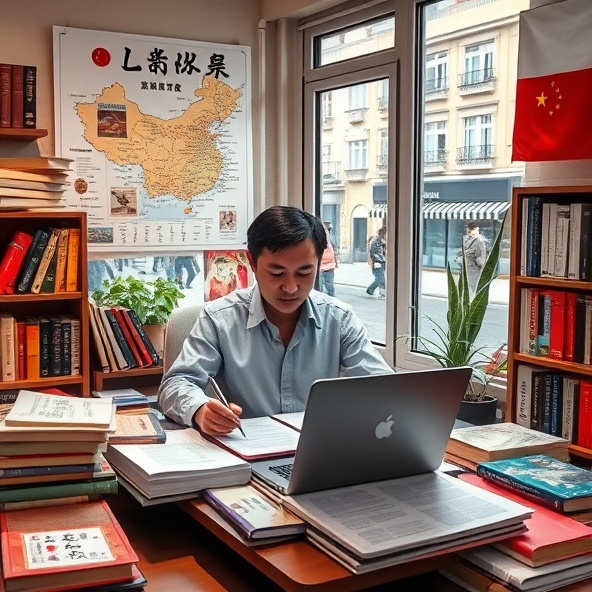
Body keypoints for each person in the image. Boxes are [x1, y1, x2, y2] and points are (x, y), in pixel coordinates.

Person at [158, 205, 393, 436]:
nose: (290, 287)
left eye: (304, 272)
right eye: (277, 273)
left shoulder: (338, 319)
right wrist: (199, 409)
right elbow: (176, 383)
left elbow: (386, 387)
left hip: (317, 448)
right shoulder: (219, 319)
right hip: (246, 450)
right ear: (252, 263)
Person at [456, 221, 487, 296]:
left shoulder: (468, 240)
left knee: (469, 293)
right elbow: (481, 260)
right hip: (472, 272)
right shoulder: (478, 241)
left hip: (467, 271)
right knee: (473, 293)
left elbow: (459, 254)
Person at [366, 227, 387, 298]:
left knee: (382, 279)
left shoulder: (381, 241)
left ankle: (382, 293)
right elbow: (375, 253)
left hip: (380, 262)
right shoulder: (376, 242)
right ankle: (370, 290)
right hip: (377, 262)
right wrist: (382, 259)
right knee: (380, 279)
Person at [319, 222, 338, 297]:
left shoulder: (320, 239)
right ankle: (331, 298)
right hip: (328, 266)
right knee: (329, 285)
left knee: (321, 286)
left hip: (323, 266)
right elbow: (334, 249)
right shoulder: (330, 238)